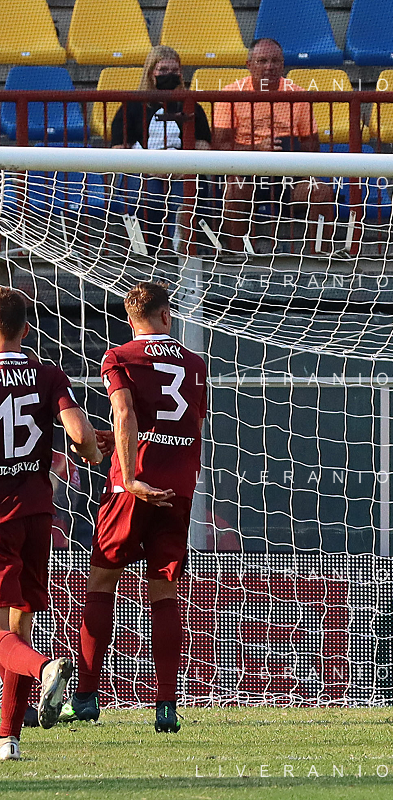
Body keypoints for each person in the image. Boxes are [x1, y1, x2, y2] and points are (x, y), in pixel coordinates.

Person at [59, 283, 208, 734]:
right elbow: (188, 424)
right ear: (167, 316)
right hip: (176, 488)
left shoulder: (119, 356)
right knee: (164, 592)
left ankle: (86, 697)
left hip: (131, 487)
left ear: (130, 319)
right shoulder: (195, 363)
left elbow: (125, 413)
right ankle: (166, 706)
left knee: (102, 581)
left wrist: (129, 474)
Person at [0, 288, 106, 761]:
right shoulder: (47, 373)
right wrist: (93, 453)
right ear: (26, 329)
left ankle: (44, 669)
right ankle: (9, 740)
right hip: (37, 513)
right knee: (18, 623)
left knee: (4, 636)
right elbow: (79, 435)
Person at [211, 37, 336, 255]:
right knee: (235, 189)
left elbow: (311, 145)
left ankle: (320, 256)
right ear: (249, 64)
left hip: (289, 174)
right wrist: (258, 149)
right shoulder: (230, 94)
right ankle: (236, 256)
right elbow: (220, 145)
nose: (269, 66)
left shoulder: (298, 95)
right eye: (262, 61)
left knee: (320, 191)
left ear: (283, 65)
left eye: (275, 61)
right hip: (247, 173)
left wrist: (290, 153)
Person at [110, 45, 212, 256]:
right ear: (151, 72)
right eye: (163, 70)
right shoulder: (132, 105)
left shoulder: (190, 105)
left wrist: (185, 166)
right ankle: (149, 252)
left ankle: (179, 248)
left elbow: (204, 144)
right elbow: (119, 148)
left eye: (174, 71)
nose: (169, 75)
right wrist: (150, 168)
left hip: (183, 170)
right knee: (151, 196)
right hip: (142, 169)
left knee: (184, 198)